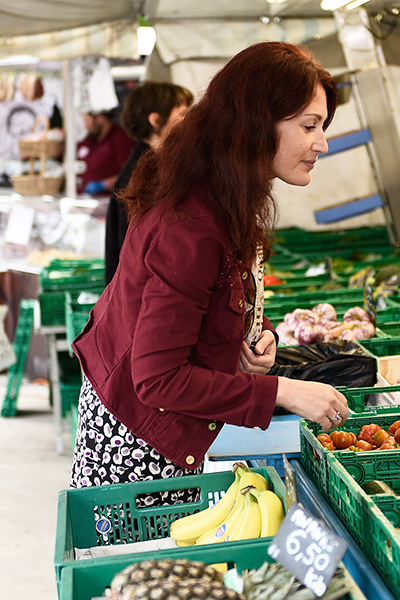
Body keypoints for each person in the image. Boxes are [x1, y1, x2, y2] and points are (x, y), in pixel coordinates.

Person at [70, 42, 349, 490]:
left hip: (158, 422)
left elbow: (223, 290)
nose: (322, 142)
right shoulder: (192, 224)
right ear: (257, 126)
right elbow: (158, 380)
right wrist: (284, 391)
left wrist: (260, 334)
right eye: (309, 125)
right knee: (144, 557)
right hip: (138, 439)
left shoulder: (226, 192)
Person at [105, 82, 194, 284]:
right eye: (181, 115)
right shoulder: (142, 176)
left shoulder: (156, 164)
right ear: (155, 120)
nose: (188, 121)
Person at [77, 110, 136, 195]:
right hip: (83, 199)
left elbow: (130, 174)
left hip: (107, 201)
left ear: (100, 118)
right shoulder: (88, 139)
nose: (85, 125)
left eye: (87, 121)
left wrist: (103, 185)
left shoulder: (121, 139)